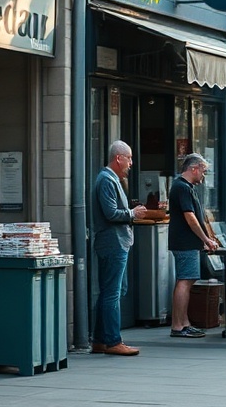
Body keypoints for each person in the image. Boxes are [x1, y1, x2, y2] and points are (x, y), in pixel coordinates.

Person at [91, 140, 147, 356]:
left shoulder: (111, 179)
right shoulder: (106, 180)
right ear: (118, 158)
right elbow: (111, 213)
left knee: (112, 291)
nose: (131, 163)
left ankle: (100, 340)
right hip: (113, 242)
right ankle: (113, 341)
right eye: (129, 158)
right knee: (112, 293)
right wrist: (133, 214)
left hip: (116, 242)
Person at [168, 153, 218, 338]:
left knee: (186, 280)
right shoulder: (182, 187)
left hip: (187, 242)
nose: (204, 176)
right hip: (184, 242)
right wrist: (205, 239)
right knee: (185, 280)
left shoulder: (185, 187)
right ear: (193, 168)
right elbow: (190, 218)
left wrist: (205, 239)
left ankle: (183, 322)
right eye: (203, 171)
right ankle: (179, 326)